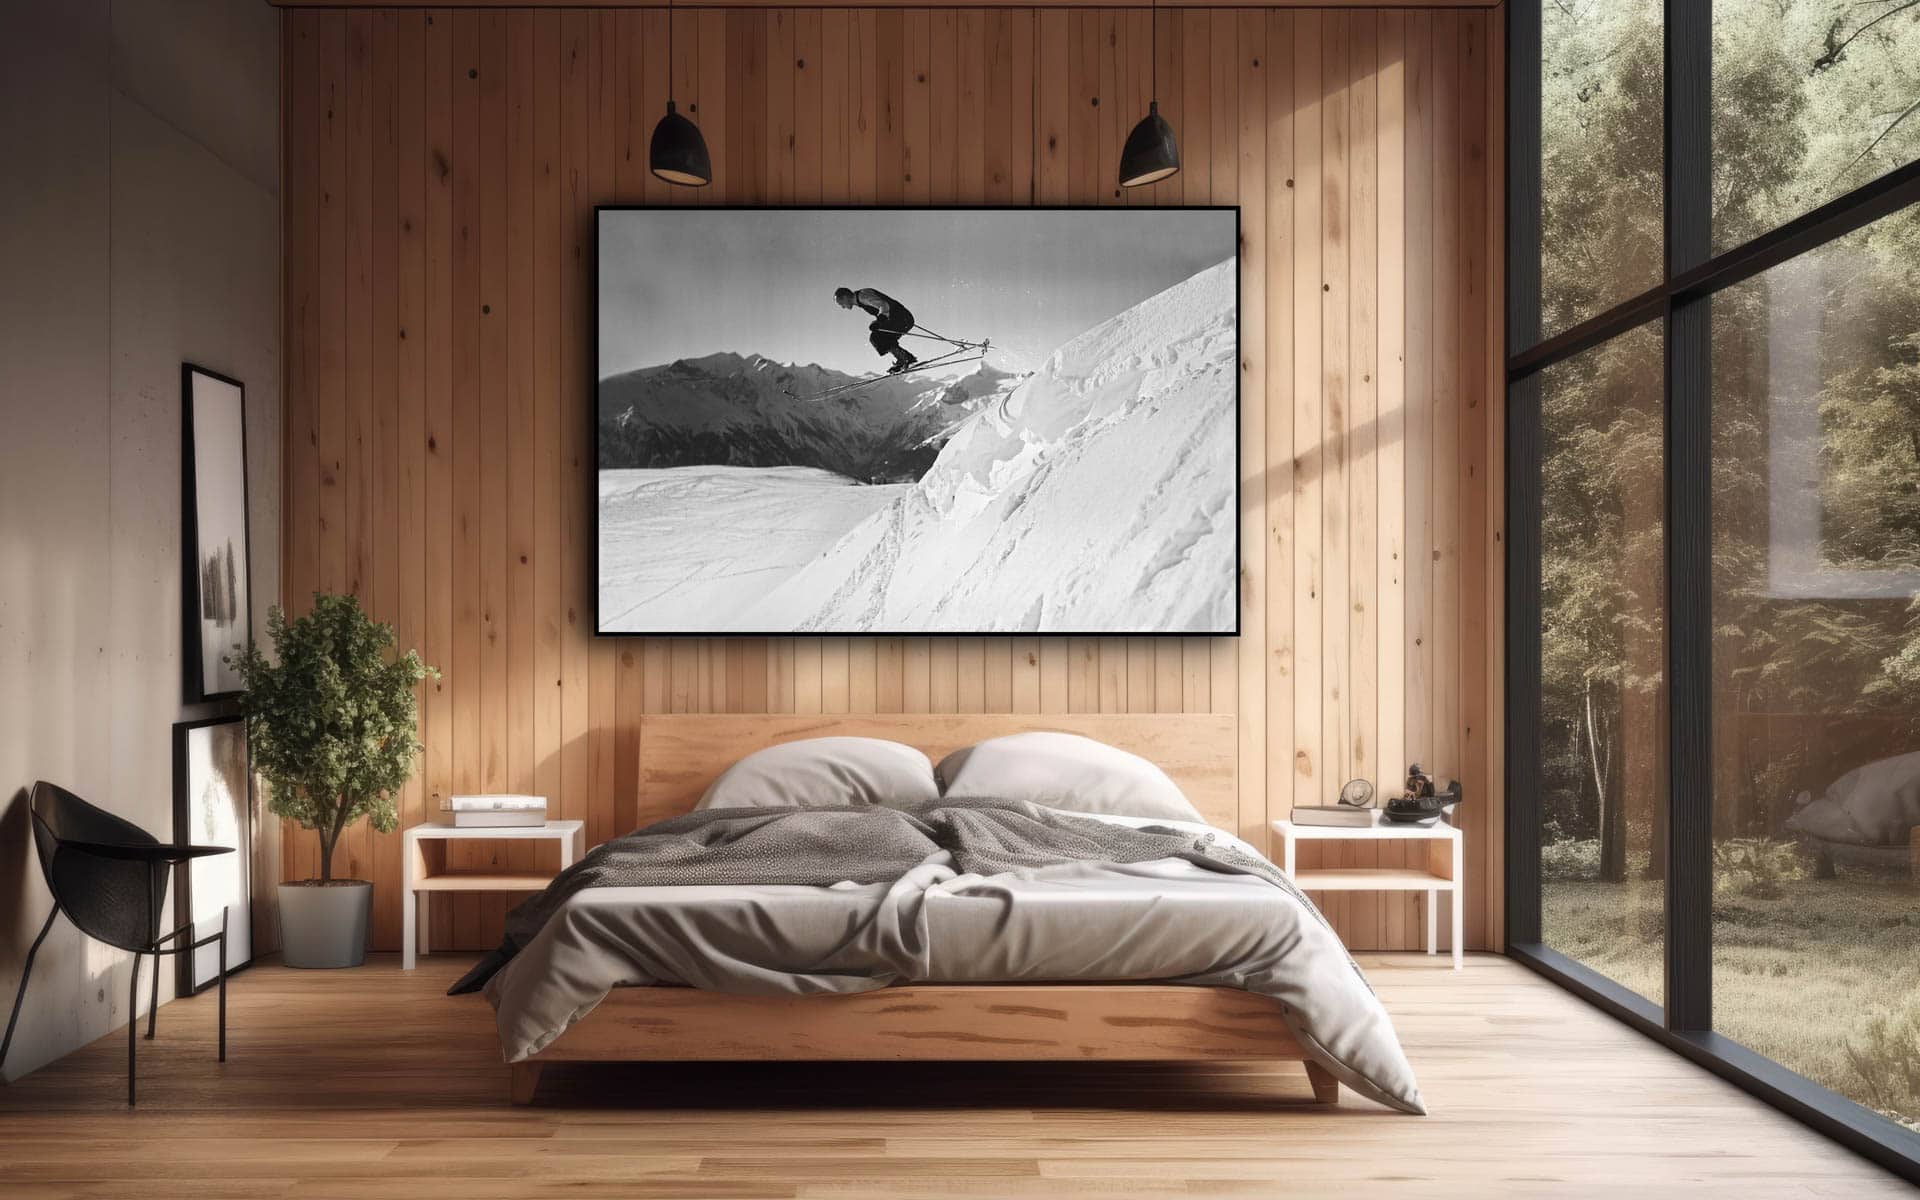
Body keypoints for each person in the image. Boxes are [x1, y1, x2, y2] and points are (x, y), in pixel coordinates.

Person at [834, 286, 918, 374]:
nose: (842, 307)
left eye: (841, 304)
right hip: (902, 318)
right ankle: (904, 358)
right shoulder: (861, 298)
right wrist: (878, 321)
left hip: (901, 319)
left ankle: (905, 359)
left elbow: (883, 305)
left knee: (876, 337)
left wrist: (880, 320)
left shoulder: (862, 296)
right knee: (882, 337)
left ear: (845, 297)